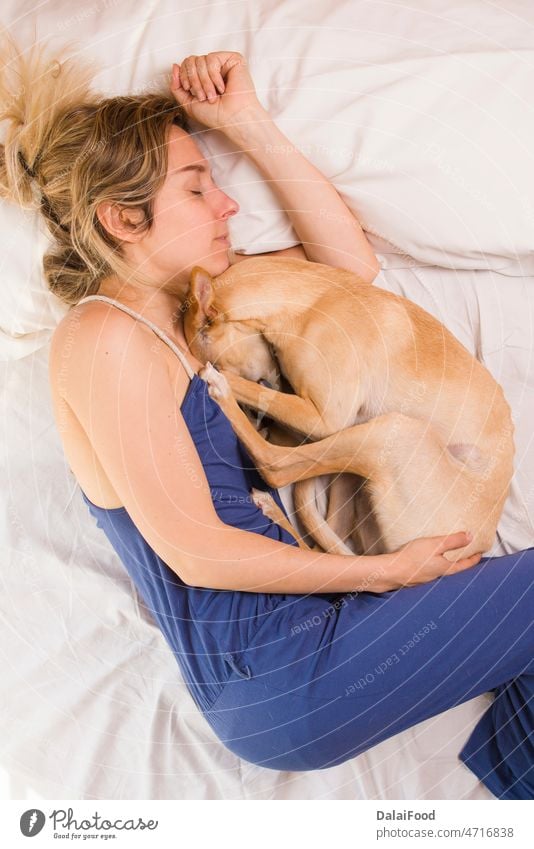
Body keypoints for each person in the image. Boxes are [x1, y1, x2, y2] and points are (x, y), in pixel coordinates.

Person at [1, 40, 532, 799]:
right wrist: (384, 572)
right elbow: (198, 554)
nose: (228, 205)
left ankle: (516, 784)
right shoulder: (103, 339)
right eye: (196, 189)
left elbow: (351, 274)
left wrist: (245, 121)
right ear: (122, 218)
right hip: (276, 672)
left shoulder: (200, 312)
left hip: (312, 651)